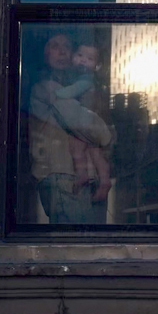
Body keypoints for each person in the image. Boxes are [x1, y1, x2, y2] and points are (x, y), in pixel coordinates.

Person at [27, 33, 113, 224]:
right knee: (76, 247)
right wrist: (107, 134)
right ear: (44, 53)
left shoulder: (80, 84)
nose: (63, 51)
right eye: (55, 46)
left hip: (90, 179)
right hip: (64, 177)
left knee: (96, 249)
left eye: (67, 46)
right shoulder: (45, 88)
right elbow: (88, 126)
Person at [49, 41, 112, 202]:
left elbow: (73, 91)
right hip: (83, 122)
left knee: (84, 150)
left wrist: (59, 93)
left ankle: (99, 179)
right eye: (80, 55)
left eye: (89, 59)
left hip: (87, 122)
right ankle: (91, 177)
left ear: (97, 66)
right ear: (73, 58)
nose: (83, 60)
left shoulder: (86, 79)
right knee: (88, 151)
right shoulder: (76, 76)